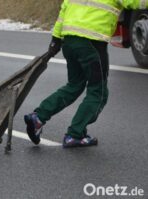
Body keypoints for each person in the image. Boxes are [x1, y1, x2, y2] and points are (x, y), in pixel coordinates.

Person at [24, 0, 148, 148]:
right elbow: (136, 2)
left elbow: (63, 11)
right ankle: (75, 134)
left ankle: (39, 117)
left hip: (69, 41)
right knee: (98, 91)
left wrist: (55, 39)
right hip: (91, 43)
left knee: (74, 85)